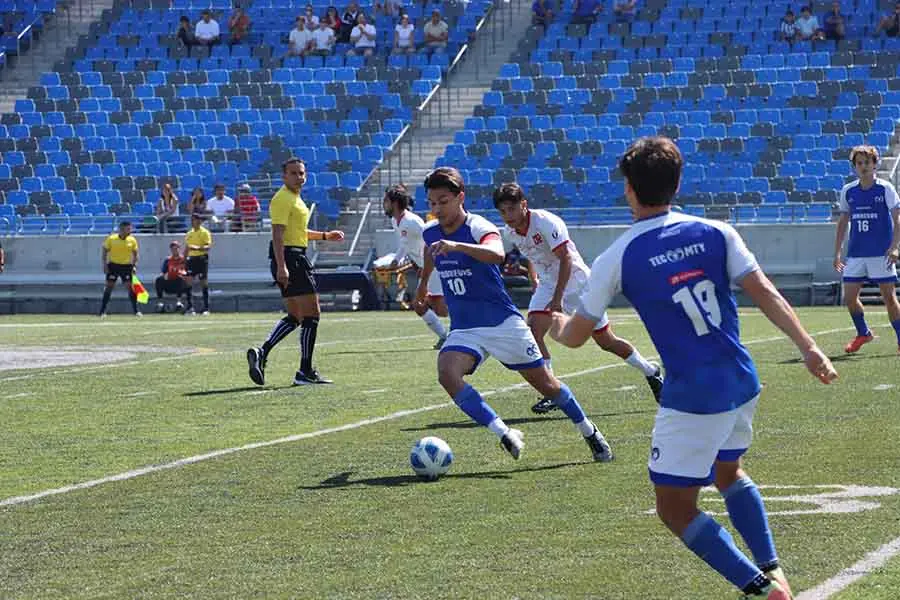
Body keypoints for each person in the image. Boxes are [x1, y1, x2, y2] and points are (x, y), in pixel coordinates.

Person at [550, 136, 837, 600]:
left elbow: (578, 336)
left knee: (674, 508)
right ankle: (771, 568)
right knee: (729, 472)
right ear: (677, 183)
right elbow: (765, 291)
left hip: (692, 397)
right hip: (741, 381)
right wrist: (807, 347)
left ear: (629, 190)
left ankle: (763, 590)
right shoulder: (717, 231)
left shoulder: (618, 255)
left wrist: (555, 326)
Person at [416, 167, 614, 462]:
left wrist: (457, 245)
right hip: (465, 327)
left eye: (443, 202)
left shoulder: (479, 227)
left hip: (503, 323)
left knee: (547, 385)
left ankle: (589, 431)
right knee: (447, 374)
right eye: (432, 203)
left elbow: (497, 254)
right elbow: (430, 254)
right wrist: (422, 287)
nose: (436, 209)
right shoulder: (430, 231)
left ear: (460, 198)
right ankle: (504, 433)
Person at [494, 182, 663, 414]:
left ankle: (650, 371)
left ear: (523, 205)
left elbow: (565, 259)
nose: (507, 216)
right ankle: (552, 391)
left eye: (511, 209)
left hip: (577, 283)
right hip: (548, 285)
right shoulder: (510, 232)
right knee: (533, 333)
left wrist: (557, 297)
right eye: (502, 211)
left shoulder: (545, 222)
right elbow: (530, 255)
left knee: (606, 341)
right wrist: (535, 279)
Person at [246, 158, 345, 386]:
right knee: (312, 315)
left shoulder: (294, 199)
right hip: (292, 259)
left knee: (296, 316)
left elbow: (297, 232)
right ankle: (305, 372)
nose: (299, 177)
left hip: (291, 257)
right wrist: (282, 266)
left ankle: (262, 352)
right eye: (294, 173)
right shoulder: (282, 198)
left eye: (302, 173)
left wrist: (324, 236)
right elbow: (278, 234)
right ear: (284, 176)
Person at [833, 145, 900, 354]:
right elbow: (843, 221)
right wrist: (837, 252)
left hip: (881, 253)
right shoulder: (849, 191)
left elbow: (897, 219)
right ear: (854, 167)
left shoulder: (885, 188)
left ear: (875, 164)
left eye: (867, 163)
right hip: (856, 253)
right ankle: (863, 333)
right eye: (859, 163)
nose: (864, 167)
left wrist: (895, 247)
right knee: (850, 297)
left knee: (889, 297)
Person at [383, 184, 449, 347]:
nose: (383, 204)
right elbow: (405, 244)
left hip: (435, 267)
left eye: (386, 201)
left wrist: (433, 262)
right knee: (419, 305)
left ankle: (462, 332)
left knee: (440, 307)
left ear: (395, 203)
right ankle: (445, 336)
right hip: (426, 267)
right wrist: (397, 259)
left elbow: (431, 239)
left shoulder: (412, 222)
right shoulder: (395, 221)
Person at [100, 221, 141, 317]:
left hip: (126, 266)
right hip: (113, 266)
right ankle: (102, 311)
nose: (130, 231)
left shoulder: (132, 240)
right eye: (128, 229)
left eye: (130, 229)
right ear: (122, 229)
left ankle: (136, 311)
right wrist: (105, 265)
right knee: (109, 287)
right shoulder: (111, 238)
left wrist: (134, 266)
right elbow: (105, 250)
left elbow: (135, 254)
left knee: (130, 288)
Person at [183, 213, 212, 315]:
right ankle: (190, 307)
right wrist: (184, 261)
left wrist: (198, 248)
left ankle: (206, 308)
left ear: (200, 221)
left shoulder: (205, 233)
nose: (194, 222)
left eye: (196, 220)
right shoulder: (189, 233)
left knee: (203, 282)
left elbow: (208, 247)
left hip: (201, 258)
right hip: (191, 259)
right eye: (192, 220)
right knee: (189, 282)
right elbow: (187, 248)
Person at [155, 240, 187, 313]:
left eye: (176, 248)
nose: (174, 250)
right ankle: (160, 302)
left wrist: (183, 273)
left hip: (180, 282)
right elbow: (164, 271)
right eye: (173, 249)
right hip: (170, 281)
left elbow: (187, 271)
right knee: (159, 280)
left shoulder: (183, 259)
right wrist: (165, 275)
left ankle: (179, 302)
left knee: (180, 279)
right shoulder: (168, 260)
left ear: (179, 249)